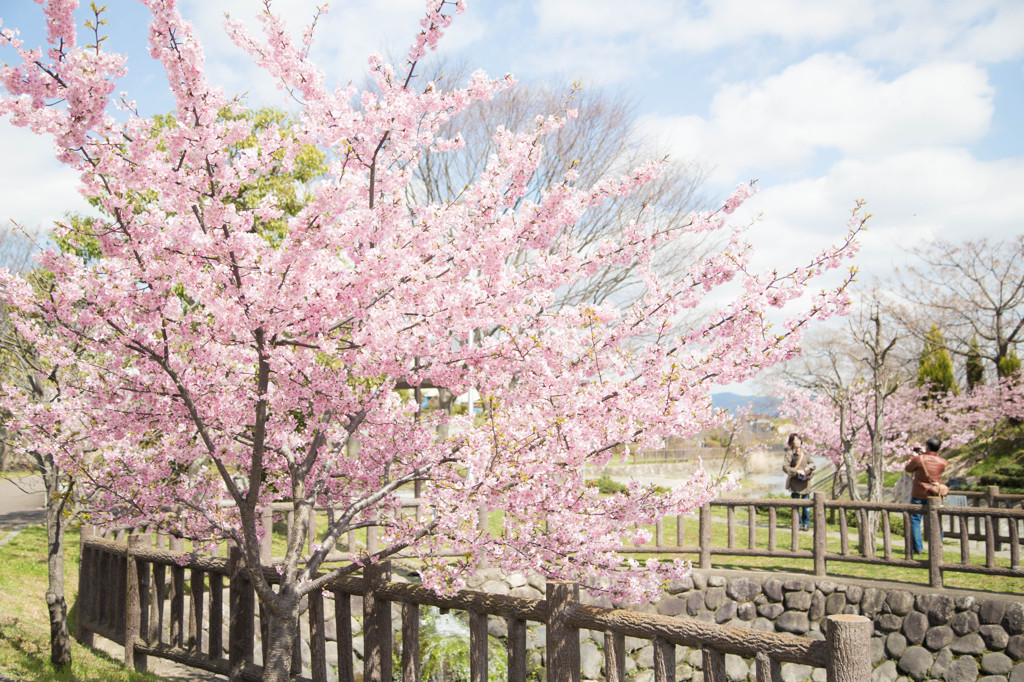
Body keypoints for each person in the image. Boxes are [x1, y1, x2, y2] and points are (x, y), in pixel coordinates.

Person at [905, 436, 947, 555]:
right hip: (935, 494)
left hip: (919, 494)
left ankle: (918, 548)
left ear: (927, 446)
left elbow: (908, 469)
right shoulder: (943, 462)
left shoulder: (919, 459)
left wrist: (912, 458)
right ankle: (938, 546)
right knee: (937, 521)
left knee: (915, 521)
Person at [783, 433, 815, 531]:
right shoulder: (789, 453)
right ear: (791, 442)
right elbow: (785, 467)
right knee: (795, 505)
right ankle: (797, 523)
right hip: (795, 483)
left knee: (807, 507)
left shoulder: (804, 453)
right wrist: (797, 471)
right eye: (795, 440)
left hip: (805, 483)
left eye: (798, 440)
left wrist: (808, 468)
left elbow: (812, 463)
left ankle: (806, 524)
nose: (797, 442)